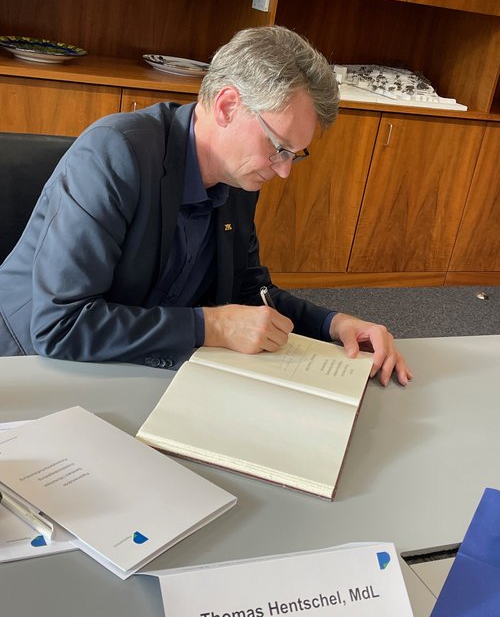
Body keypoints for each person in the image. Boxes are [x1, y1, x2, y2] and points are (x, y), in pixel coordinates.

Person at [0, 26, 412, 386]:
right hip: (34, 368)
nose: (284, 170)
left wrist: (333, 324)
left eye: (294, 154)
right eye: (278, 146)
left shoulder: (240, 176)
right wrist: (209, 326)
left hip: (138, 367)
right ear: (227, 106)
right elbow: (61, 325)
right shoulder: (114, 153)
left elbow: (247, 291)